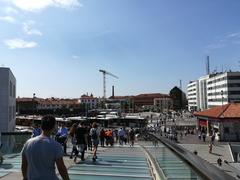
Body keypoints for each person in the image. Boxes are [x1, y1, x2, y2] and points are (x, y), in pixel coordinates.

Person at [21, 115, 70, 180]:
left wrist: (25, 177)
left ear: (41, 126)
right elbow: (61, 168)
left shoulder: (28, 143)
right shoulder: (56, 145)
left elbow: (24, 164)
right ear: (53, 127)